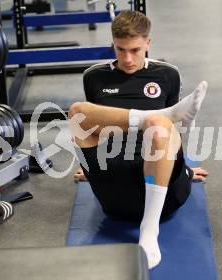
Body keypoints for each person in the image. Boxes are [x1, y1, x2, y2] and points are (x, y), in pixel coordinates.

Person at [69, 10, 209, 269]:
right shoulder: (94, 76)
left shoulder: (167, 74)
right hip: (114, 189)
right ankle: (156, 116)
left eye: (134, 49)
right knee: (78, 112)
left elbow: (173, 135)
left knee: (161, 127)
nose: (127, 58)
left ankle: (148, 232)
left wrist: (184, 171)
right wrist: (89, 166)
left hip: (160, 194)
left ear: (148, 43)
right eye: (120, 50)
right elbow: (92, 128)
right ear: (113, 44)